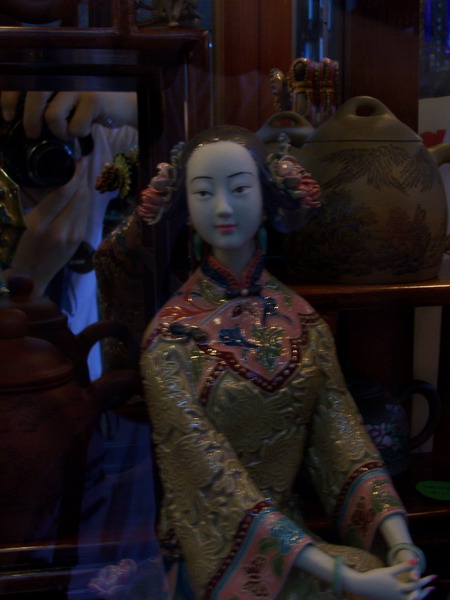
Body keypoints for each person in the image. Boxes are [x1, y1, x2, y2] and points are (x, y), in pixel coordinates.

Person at [135, 125, 436, 599]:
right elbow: (210, 477)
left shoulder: (303, 320)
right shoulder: (170, 337)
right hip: (219, 558)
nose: (222, 207)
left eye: (239, 188)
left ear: (266, 199)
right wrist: (343, 576)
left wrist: (398, 540)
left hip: (291, 541)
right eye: (204, 192)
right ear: (187, 210)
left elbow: (342, 436)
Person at [0, 90, 138, 378]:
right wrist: (23, 283)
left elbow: (203, 133)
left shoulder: (86, 140)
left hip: (84, 387)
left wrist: (122, 101)